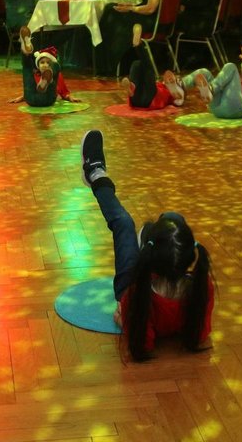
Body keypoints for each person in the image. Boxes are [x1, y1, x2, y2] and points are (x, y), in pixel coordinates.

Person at [79, 130, 214, 361]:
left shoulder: (136, 295)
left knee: (123, 223)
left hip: (135, 287)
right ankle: (152, 235)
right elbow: (200, 334)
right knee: (172, 217)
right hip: (153, 280)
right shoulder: (203, 286)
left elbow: (143, 344)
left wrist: (125, 319)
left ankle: (95, 172)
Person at [97, 0, 171, 75]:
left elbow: (150, 8)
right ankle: (109, 62)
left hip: (150, 21)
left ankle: (106, 62)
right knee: (112, 9)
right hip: (152, 19)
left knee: (111, 12)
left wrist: (131, 8)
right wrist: (130, 6)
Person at [12, 27, 76, 107]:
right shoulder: (35, 73)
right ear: (38, 65)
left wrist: (69, 97)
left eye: (48, 63)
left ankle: (26, 52)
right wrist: (23, 96)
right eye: (42, 62)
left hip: (33, 100)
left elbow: (64, 91)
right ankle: (27, 49)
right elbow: (63, 91)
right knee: (53, 67)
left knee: (27, 67)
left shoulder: (36, 74)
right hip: (45, 100)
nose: (45, 65)